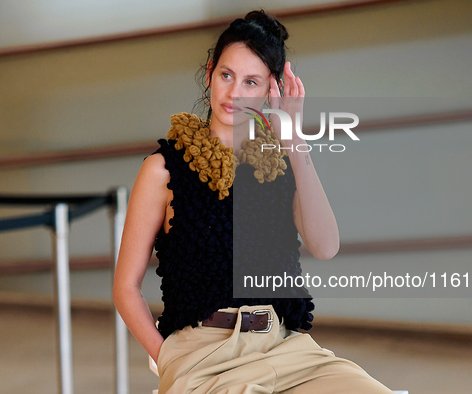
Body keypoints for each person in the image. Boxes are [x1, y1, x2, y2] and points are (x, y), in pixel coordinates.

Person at [113, 10, 393, 394]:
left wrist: (293, 138)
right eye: (226, 75)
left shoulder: (279, 163)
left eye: (251, 81)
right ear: (210, 71)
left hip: (285, 349)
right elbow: (125, 287)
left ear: (270, 90)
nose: (234, 93)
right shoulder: (163, 170)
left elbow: (326, 247)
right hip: (203, 356)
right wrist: (166, 358)